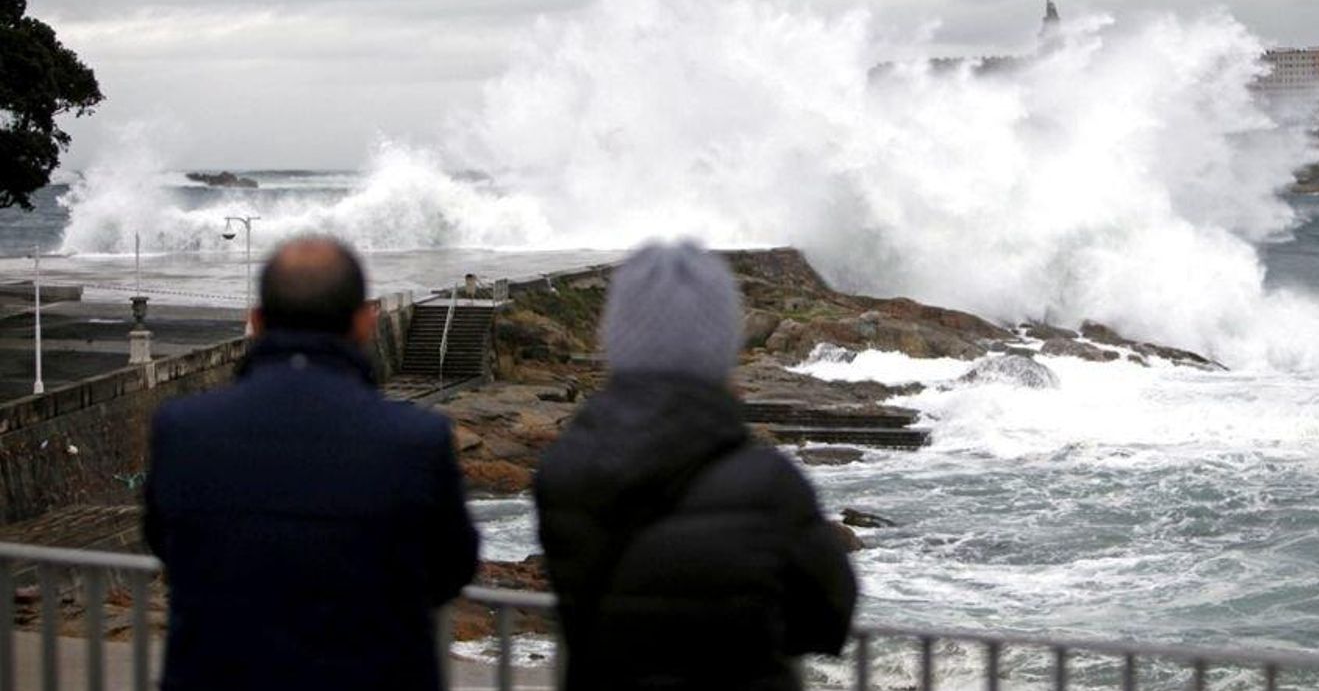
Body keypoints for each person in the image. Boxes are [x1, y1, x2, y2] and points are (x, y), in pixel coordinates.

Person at [143, 237, 479, 691]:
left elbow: (165, 541)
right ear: (365, 322)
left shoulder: (183, 429)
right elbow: (452, 566)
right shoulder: (415, 438)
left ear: (256, 321)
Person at [535, 241, 858, 691]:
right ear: (722, 345)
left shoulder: (563, 470)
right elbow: (828, 621)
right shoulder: (767, 484)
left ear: (616, 339)